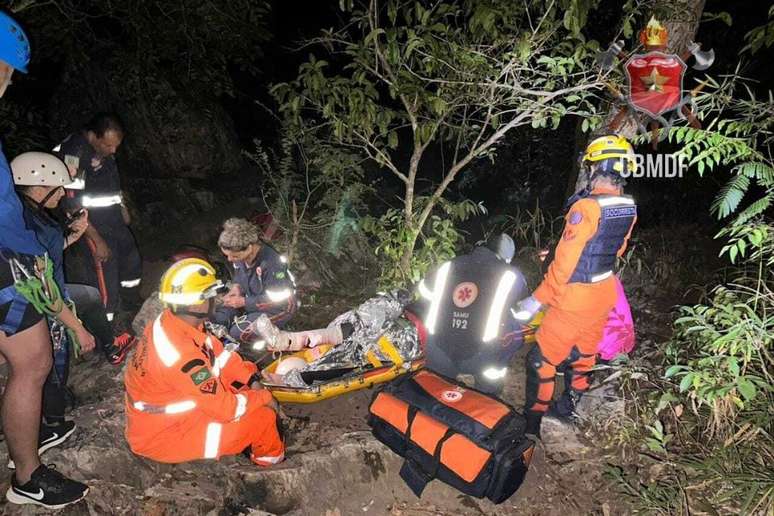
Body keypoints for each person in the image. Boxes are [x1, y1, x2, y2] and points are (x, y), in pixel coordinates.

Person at [0, 11, 90, 508]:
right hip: (6, 263)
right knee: (32, 363)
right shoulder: (30, 218)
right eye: (7, 72)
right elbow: (3, 212)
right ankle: (27, 474)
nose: (8, 84)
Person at [513, 135, 638, 437]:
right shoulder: (627, 206)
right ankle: (569, 408)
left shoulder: (586, 207)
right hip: (602, 292)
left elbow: (566, 264)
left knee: (541, 360)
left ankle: (531, 422)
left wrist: (536, 300)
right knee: (584, 355)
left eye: (591, 165)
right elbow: (617, 249)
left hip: (574, 298)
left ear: (597, 167)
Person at [124, 258, 284, 466]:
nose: (216, 300)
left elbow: (218, 354)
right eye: (210, 295)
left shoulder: (174, 322)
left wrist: (251, 378)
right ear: (195, 303)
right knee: (263, 418)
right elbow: (225, 409)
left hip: (164, 417)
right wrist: (263, 397)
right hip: (166, 435)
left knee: (241, 389)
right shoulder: (183, 358)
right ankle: (269, 464)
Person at [12, 152, 110, 434]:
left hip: (44, 296)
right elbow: (42, 282)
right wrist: (77, 327)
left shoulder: (27, 216)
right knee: (51, 358)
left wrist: (70, 236)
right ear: (41, 187)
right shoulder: (27, 223)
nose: (64, 195)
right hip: (43, 302)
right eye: (60, 189)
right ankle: (52, 422)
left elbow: (44, 256)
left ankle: (51, 410)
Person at [54, 113, 142, 336]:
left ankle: (132, 306)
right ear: (93, 135)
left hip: (114, 220)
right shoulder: (75, 152)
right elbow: (72, 205)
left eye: (117, 145)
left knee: (132, 261)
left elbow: (111, 185)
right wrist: (97, 240)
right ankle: (105, 333)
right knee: (106, 282)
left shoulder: (103, 150)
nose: (113, 150)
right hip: (93, 228)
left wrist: (123, 208)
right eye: (109, 144)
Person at [416, 234, 528, 394]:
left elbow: (424, 292)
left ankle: (433, 401)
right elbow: (523, 313)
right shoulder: (511, 275)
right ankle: (488, 394)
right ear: (506, 257)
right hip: (481, 358)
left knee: (435, 391)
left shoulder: (449, 265)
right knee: (515, 331)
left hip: (438, 350)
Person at [214, 218, 297, 342]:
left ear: (249, 247)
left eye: (234, 256)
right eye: (227, 255)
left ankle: (277, 340)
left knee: (239, 332)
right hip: (251, 299)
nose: (230, 259)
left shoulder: (272, 264)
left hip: (279, 308)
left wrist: (244, 302)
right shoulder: (241, 257)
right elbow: (239, 274)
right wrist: (237, 287)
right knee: (219, 319)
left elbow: (279, 301)